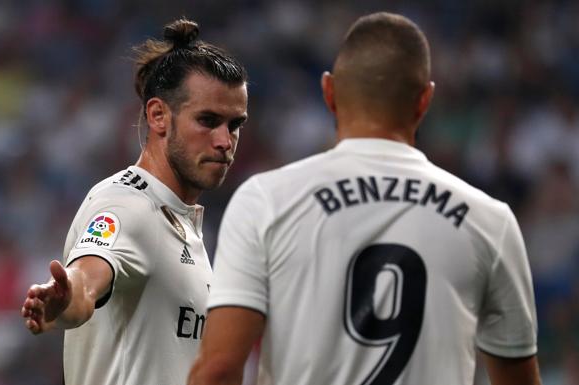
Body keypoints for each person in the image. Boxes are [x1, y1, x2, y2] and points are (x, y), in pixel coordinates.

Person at [188, 12, 541, 385]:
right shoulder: (489, 220)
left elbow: (220, 369)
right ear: (425, 100)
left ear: (329, 92)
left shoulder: (266, 200)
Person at [20, 18, 248, 385]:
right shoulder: (127, 205)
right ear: (158, 115)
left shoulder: (181, 222)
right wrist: (65, 301)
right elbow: (87, 281)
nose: (225, 140)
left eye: (235, 125)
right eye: (208, 120)